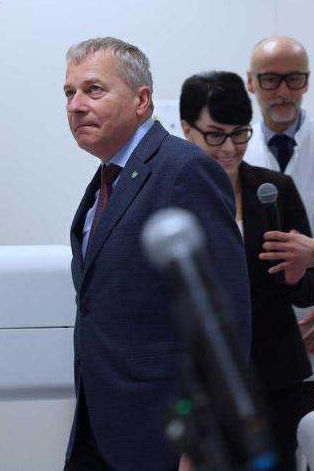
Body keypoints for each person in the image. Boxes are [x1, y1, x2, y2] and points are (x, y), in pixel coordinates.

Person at [63, 37, 251, 471]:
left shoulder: (184, 171)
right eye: (69, 93)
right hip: (102, 426)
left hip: (163, 437)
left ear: (142, 100)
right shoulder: (108, 180)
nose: (76, 105)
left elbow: (224, 318)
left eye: (93, 90)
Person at [180, 71, 314, 471]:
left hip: (274, 377)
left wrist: (297, 274)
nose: (230, 148)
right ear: (187, 129)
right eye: (215, 135)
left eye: (240, 134)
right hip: (202, 382)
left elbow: (311, 287)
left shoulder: (275, 190)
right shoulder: (173, 196)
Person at [244, 35, 314, 416]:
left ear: (307, 81)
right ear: (251, 82)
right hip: (262, 341)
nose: (283, 92)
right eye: (270, 80)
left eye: (294, 79)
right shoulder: (237, 157)